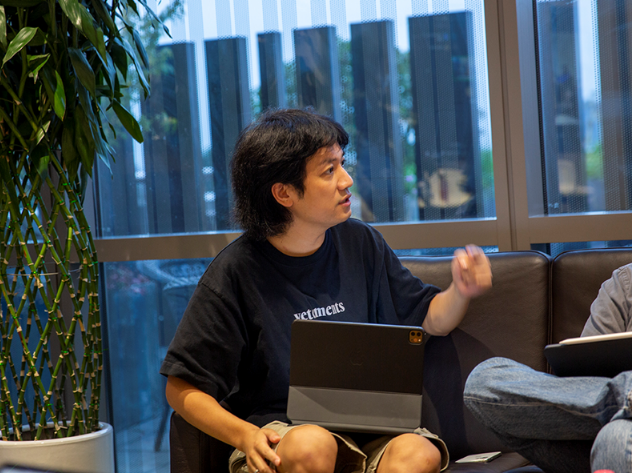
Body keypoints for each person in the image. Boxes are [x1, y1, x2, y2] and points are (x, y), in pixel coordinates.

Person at [160, 109, 493, 473]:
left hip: (368, 429)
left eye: (342, 164)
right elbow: (180, 387)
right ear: (284, 193)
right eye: (328, 170)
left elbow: (429, 318)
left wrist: (461, 291)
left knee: (418, 453)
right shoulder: (236, 270)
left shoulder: (361, 243)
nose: (347, 180)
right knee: (312, 445)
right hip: (284, 434)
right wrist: (245, 436)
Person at [463, 262, 632, 473]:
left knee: (615, 436)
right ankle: (626, 397)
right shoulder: (625, 282)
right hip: (592, 434)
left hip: (615, 439)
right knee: (483, 382)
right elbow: (585, 381)